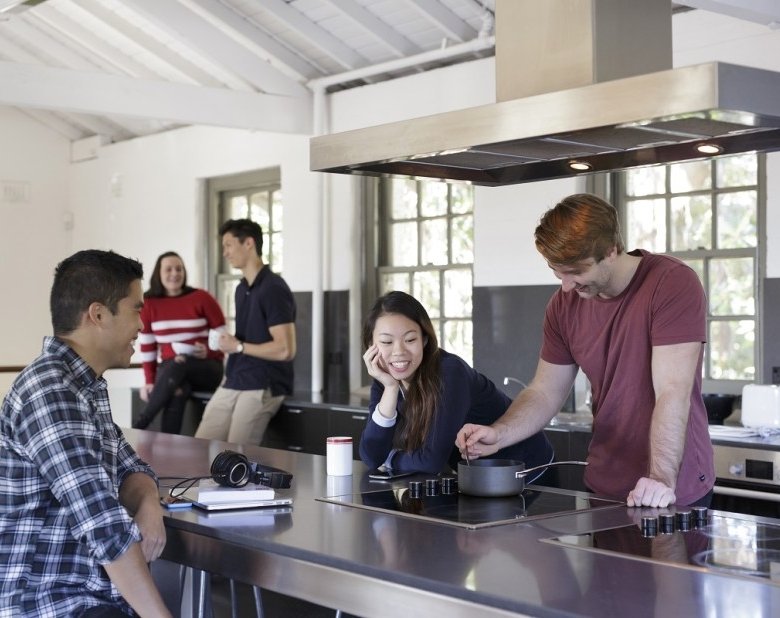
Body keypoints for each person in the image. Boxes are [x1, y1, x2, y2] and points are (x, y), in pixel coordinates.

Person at [456, 193, 714, 508]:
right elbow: (544, 392)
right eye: (557, 271)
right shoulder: (563, 305)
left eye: (576, 271)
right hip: (604, 485)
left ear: (610, 250)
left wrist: (660, 478)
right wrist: (500, 433)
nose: (566, 285)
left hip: (672, 489)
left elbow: (672, 391)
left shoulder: (671, 283)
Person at [0, 250, 171, 617]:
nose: (142, 324)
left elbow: (131, 467)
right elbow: (104, 527)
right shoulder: (51, 391)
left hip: (90, 599)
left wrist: (149, 503)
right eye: (136, 309)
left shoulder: (85, 387)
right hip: (49, 604)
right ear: (97, 314)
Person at [361, 291, 553, 476]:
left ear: (425, 339)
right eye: (386, 342)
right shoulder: (386, 380)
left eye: (410, 339)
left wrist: (389, 459)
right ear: (372, 344)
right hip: (477, 479)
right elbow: (370, 456)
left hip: (528, 471)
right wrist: (391, 387)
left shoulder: (449, 372)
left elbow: (430, 462)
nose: (399, 351)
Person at [195, 219, 296, 444]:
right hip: (235, 378)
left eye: (229, 245)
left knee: (235, 454)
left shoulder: (273, 288)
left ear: (248, 243)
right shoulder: (241, 289)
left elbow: (285, 349)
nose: (225, 253)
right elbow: (247, 340)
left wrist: (238, 346)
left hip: (263, 383)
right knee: (198, 446)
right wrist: (229, 343)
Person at [134, 251, 226, 434]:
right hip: (172, 371)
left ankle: (141, 424)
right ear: (158, 274)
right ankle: (169, 449)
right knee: (178, 389)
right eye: (168, 269)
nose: (175, 273)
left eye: (179, 269)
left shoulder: (202, 298)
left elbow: (224, 338)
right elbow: (148, 348)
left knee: (178, 364)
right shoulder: (149, 303)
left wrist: (209, 350)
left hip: (207, 367)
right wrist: (149, 381)